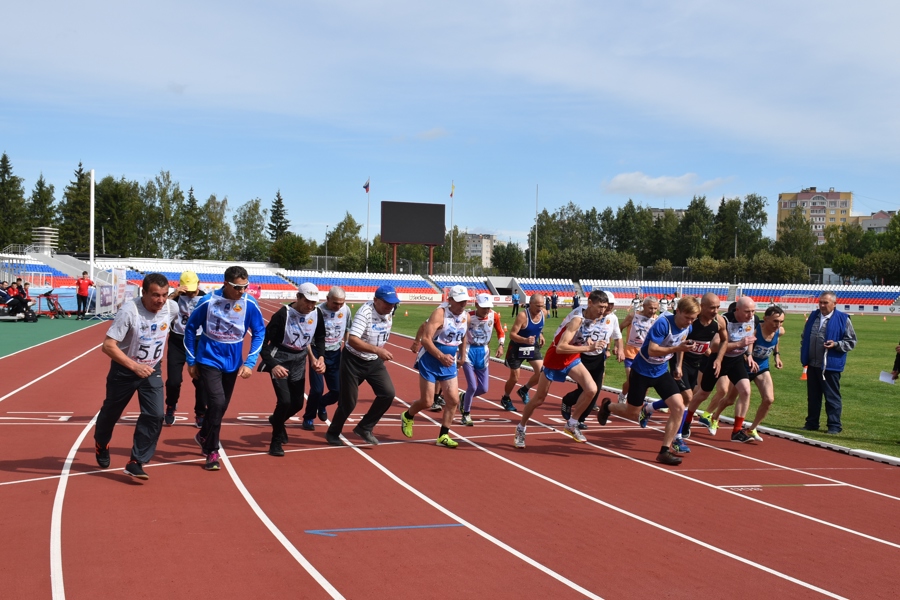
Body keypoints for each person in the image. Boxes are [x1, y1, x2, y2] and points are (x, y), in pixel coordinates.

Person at [93, 273, 178, 479]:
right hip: (124, 370)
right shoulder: (129, 311)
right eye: (155, 295)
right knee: (111, 413)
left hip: (151, 370)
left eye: (165, 295)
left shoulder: (171, 308)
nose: (160, 300)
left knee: (155, 415)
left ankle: (136, 461)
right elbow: (108, 345)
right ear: (144, 292)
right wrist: (134, 366)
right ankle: (101, 443)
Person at [597, 296, 700, 466]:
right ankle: (608, 406)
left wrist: (678, 366)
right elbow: (652, 350)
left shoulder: (686, 328)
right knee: (632, 413)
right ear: (678, 311)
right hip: (642, 371)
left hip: (661, 372)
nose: (690, 322)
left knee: (679, 407)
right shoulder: (662, 324)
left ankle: (664, 451)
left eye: (693, 319)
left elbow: (682, 345)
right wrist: (677, 349)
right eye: (687, 317)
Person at [184, 266, 266, 471]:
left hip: (233, 363)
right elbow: (190, 329)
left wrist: (249, 362)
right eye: (238, 287)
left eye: (245, 287)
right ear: (226, 283)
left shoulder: (249, 303)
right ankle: (212, 451)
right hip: (208, 359)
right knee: (217, 402)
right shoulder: (208, 301)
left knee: (221, 406)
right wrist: (191, 361)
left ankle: (203, 434)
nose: (242, 291)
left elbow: (259, 333)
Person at [514, 291, 612, 448]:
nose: (603, 311)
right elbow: (560, 347)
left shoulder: (594, 318)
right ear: (590, 303)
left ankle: (572, 423)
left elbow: (580, 337)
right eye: (600, 307)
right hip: (555, 358)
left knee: (592, 389)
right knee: (539, 399)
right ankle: (521, 428)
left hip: (572, 358)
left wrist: (589, 342)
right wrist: (589, 347)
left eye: (605, 307)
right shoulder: (577, 320)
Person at [325, 285, 400, 446]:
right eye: (386, 303)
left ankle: (365, 427)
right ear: (375, 301)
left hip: (373, 361)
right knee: (349, 402)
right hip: (353, 360)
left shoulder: (390, 311)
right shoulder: (364, 313)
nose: (390, 306)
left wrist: (376, 352)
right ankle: (333, 432)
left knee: (388, 393)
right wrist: (377, 350)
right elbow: (352, 339)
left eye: (393, 303)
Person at [679, 296, 758, 444]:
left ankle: (737, 431)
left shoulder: (753, 319)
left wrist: (749, 354)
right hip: (718, 360)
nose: (751, 315)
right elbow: (714, 346)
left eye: (753, 311)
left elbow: (750, 337)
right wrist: (739, 344)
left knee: (746, 391)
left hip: (736, 361)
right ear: (737, 309)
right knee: (702, 394)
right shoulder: (724, 321)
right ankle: (686, 422)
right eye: (747, 311)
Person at [260, 283, 326, 456]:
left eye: (314, 302)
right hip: (280, 358)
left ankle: (277, 420)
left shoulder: (317, 313)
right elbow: (263, 343)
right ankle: (275, 441)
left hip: (299, 360)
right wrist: (273, 365)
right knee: (284, 401)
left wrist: (321, 357)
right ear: (298, 297)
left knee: (297, 403)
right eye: (307, 301)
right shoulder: (282, 315)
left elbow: (320, 337)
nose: (310, 306)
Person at [401, 285, 470, 448]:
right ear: (450, 300)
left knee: (453, 400)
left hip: (449, 362)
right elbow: (426, 339)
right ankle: (408, 415)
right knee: (427, 401)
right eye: (459, 302)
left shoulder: (466, 316)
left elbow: (464, 334)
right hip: (431, 360)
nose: (462, 305)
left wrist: (462, 355)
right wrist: (440, 355)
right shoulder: (440, 314)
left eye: (465, 302)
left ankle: (443, 436)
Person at [711, 306, 785, 441]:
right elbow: (746, 346)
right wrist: (748, 356)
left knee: (769, 399)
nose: (778, 325)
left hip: (762, 367)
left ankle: (751, 429)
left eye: (781, 322)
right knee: (730, 400)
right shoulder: (756, 330)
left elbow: (776, 341)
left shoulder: (779, 331)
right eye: (775, 321)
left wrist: (777, 355)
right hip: (744, 367)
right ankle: (714, 417)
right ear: (765, 319)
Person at [801, 291, 857, 434]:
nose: (822, 305)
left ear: (834, 304)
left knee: (832, 397)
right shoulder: (813, 316)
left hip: (830, 365)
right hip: (812, 363)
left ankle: (834, 425)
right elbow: (804, 337)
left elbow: (851, 342)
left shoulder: (843, 319)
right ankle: (812, 423)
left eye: (825, 302)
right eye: (820, 302)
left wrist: (836, 344)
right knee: (813, 397)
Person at [300, 286, 351, 429]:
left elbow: (347, 329)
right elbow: (307, 337)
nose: (338, 306)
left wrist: (346, 349)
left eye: (341, 303)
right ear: (327, 299)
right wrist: (312, 358)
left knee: (338, 391)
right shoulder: (317, 312)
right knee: (317, 389)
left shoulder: (346, 310)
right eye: (335, 303)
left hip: (335, 354)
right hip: (317, 352)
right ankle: (308, 417)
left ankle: (322, 404)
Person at [677, 293, 725, 440]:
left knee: (685, 398)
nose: (715, 311)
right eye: (712, 308)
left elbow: (725, 340)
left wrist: (718, 359)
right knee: (687, 396)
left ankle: (649, 408)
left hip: (697, 363)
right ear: (702, 307)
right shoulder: (691, 321)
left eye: (717, 307)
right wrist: (677, 366)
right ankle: (680, 431)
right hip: (681, 361)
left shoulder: (718, 322)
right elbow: (678, 341)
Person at [164, 271, 207, 427]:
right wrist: (173, 294)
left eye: (193, 289)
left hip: (198, 342)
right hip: (177, 341)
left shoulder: (205, 298)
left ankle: (201, 412)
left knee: (201, 381)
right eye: (187, 289)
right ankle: (171, 405)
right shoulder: (174, 297)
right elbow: (159, 308)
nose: (190, 293)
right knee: (174, 381)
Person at [459, 293, 505, 425]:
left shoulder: (494, 315)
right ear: (477, 305)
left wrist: (501, 345)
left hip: (483, 351)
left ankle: (464, 397)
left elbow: (500, 331)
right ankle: (466, 414)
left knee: (484, 388)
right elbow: (460, 333)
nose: (486, 310)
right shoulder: (468, 316)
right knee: (472, 386)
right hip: (469, 350)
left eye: (489, 307)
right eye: (484, 307)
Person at [500, 293, 546, 411]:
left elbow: (538, 328)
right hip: (517, 347)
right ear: (530, 304)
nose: (539, 308)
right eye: (537, 306)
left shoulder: (544, 313)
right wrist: (525, 339)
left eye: (542, 306)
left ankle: (524, 389)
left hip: (532, 346)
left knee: (542, 372)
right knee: (515, 377)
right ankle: (506, 398)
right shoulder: (522, 316)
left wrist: (541, 335)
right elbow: (512, 334)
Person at [618, 296, 659, 404]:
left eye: (655, 308)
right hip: (631, 353)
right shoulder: (633, 316)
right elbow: (619, 328)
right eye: (650, 308)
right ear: (644, 306)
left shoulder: (657, 319)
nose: (653, 311)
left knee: (645, 382)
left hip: (646, 355)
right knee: (632, 380)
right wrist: (619, 347)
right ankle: (623, 395)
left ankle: (638, 404)